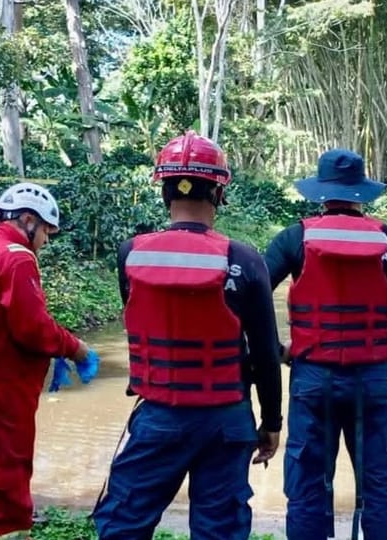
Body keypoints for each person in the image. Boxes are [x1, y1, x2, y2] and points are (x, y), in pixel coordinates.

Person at [94, 131, 282, 540]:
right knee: (220, 530)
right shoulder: (245, 259)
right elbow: (266, 353)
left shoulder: (131, 254)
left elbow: (139, 318)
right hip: (227, 418)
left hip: (158, 414)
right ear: (218, 192)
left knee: (123, 524)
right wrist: (271, 423)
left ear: (164, 191)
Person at [264, 148, 387, 540]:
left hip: (312, 380)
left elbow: (251, 301)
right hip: (374, 380)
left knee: (307, 492)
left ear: (320, 192)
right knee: (379, 491)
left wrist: (279, 350)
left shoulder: (294, 239)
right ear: (362, 193)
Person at [0, 182, 100, 540]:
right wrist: (74, 348)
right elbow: (32, 328)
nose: (46, 240)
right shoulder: (17, 256)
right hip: (1, 393)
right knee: (4, 481)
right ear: (28, 220)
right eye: (47, 230)